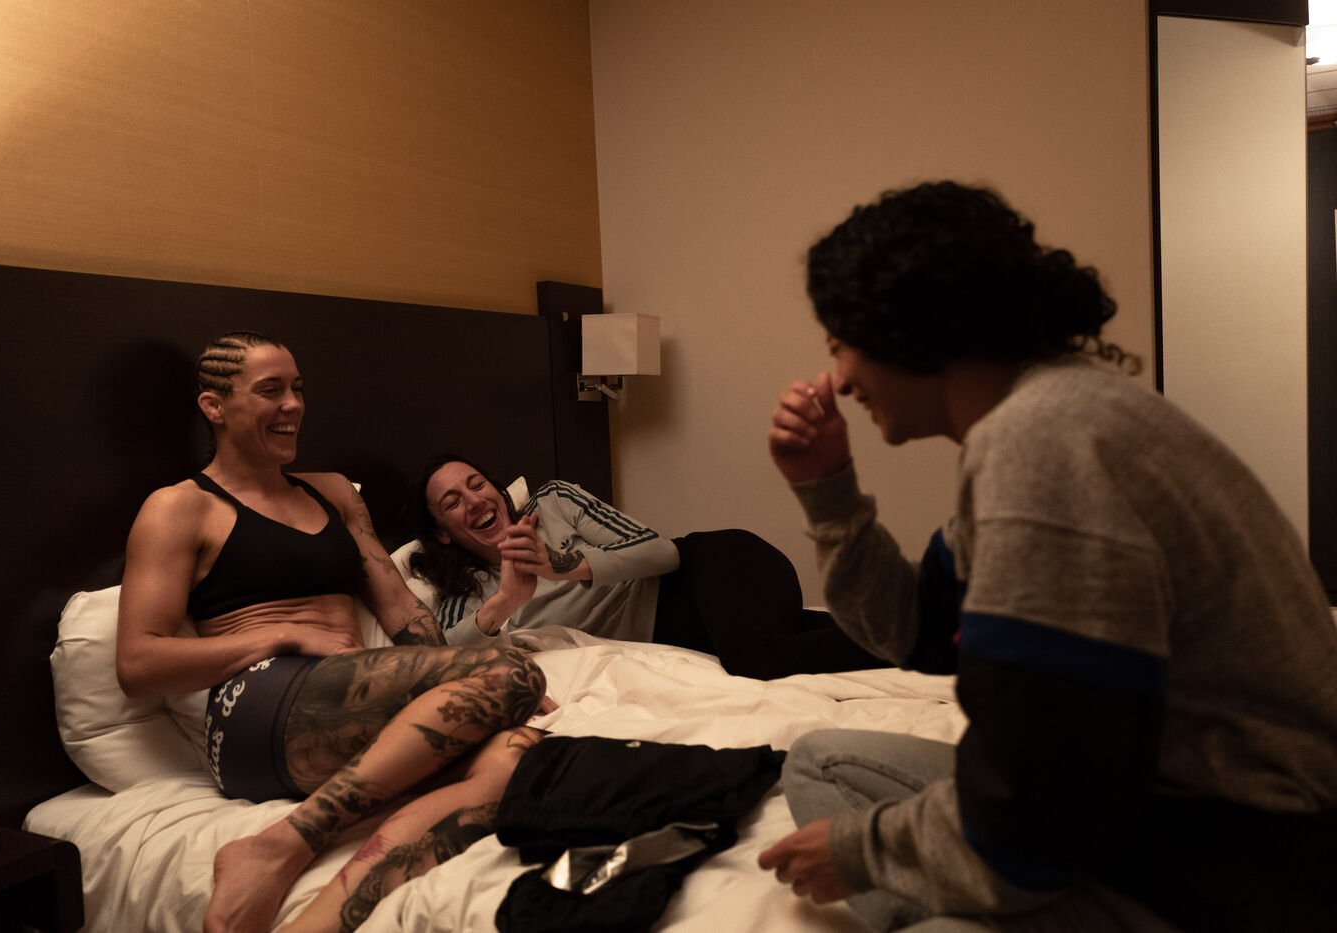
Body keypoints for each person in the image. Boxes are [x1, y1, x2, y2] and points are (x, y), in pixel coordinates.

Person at [758, 181, 1337, 931]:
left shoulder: (1045, 441)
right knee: (819, 760)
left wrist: (863, 851)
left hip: (1236, 858)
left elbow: (1046, 810)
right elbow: (917, 630)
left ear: (903, 326)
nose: (838, 378)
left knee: (908, 882)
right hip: (1137, 807)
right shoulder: (1049, 412)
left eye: (840, 342)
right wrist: (828, 489)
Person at [116, 332, 547, 933]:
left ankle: (315, 924)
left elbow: (402, 613)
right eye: (270, 390)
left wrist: (470, 684)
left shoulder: (335, 492)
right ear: (214, 406)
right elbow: (138, 664)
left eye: (297, 388)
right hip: (257, 711)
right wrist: (281, 637)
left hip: (352, 698)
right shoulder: (179, 507)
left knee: (518, 756)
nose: (292, 404)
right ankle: (280, 845)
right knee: (518, 671)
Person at [404, 456, 890, 679]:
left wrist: (562, 566)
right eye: (453, 501)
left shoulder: (552, 502)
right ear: (443, 533)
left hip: (709, 569)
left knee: (756, 662)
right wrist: (507, 600)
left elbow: (662, 552)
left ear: (496, 489)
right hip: (694, 628)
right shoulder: (464, 590)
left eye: (477, 483)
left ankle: (921, 640)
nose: (474, 500)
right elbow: (443, 657)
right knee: (789, 638)